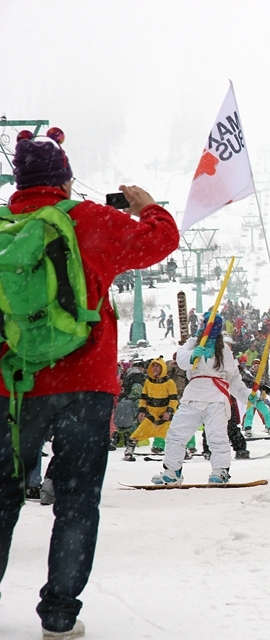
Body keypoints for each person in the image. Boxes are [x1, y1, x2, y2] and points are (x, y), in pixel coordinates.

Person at [0, 128, 178, 638]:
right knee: (76, 499)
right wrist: (150, 207)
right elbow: (160, 240)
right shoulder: (88, 221)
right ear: (65, 177)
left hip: (13, 386)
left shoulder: (6, 227)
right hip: (86, 384)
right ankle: (58, 615)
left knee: (2, 495)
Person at [151, 313, 249, 485]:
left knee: (216, 436)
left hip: (216, 396)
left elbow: (233, 378)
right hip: (193, 395)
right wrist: (191, 356)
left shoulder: (224, 350)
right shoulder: (191, 343)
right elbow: (181, 359)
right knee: (176, 434)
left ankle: (220, 471)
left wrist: (248, 397)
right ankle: (172, 471)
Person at [130, 358, 180, 456]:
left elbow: (173, 400)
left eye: (158, 366)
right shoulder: (148, 382)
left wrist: (169, 411)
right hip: (152, 414)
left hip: (164, 415)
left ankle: (181, 451)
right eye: (153, 366)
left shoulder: (169, 382)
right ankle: (129, 449)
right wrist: (142, 410)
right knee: (138, 433)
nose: (155, 368)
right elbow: (143, 398)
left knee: (174, 434)